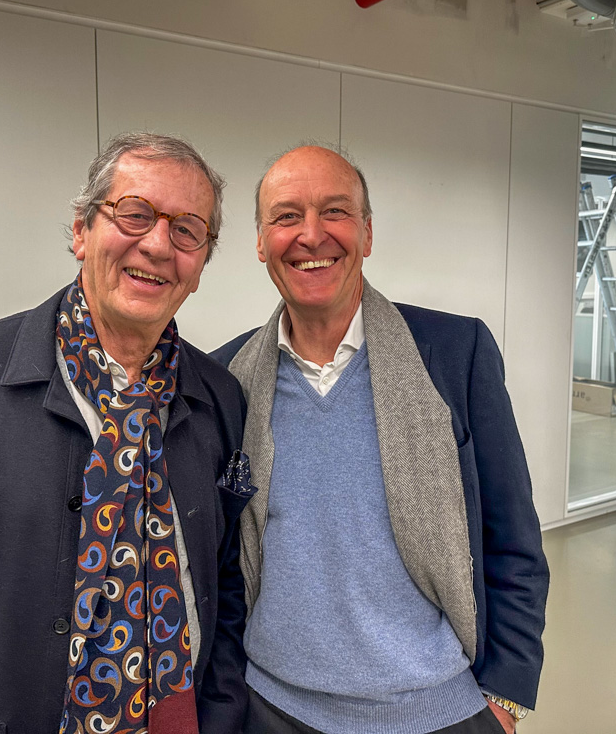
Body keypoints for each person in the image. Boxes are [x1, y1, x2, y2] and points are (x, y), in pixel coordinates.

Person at [0, 133, 254, 734]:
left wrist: (221, 714)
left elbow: (227, 587)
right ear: (82, 231)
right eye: (135, 214)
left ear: (200, 266)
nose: (158, 245)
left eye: (188, 230)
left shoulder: (218, 398)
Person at [212, 145, 549, 734]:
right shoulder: (230, 378)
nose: (311, 234)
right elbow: (223, 562)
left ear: (367, 232)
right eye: (286, 216)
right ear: (261, 242)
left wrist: (506, 694)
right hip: (270, 707)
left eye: (335, 211)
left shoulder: (455, 355)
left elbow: (513, 537)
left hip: (438, 711)